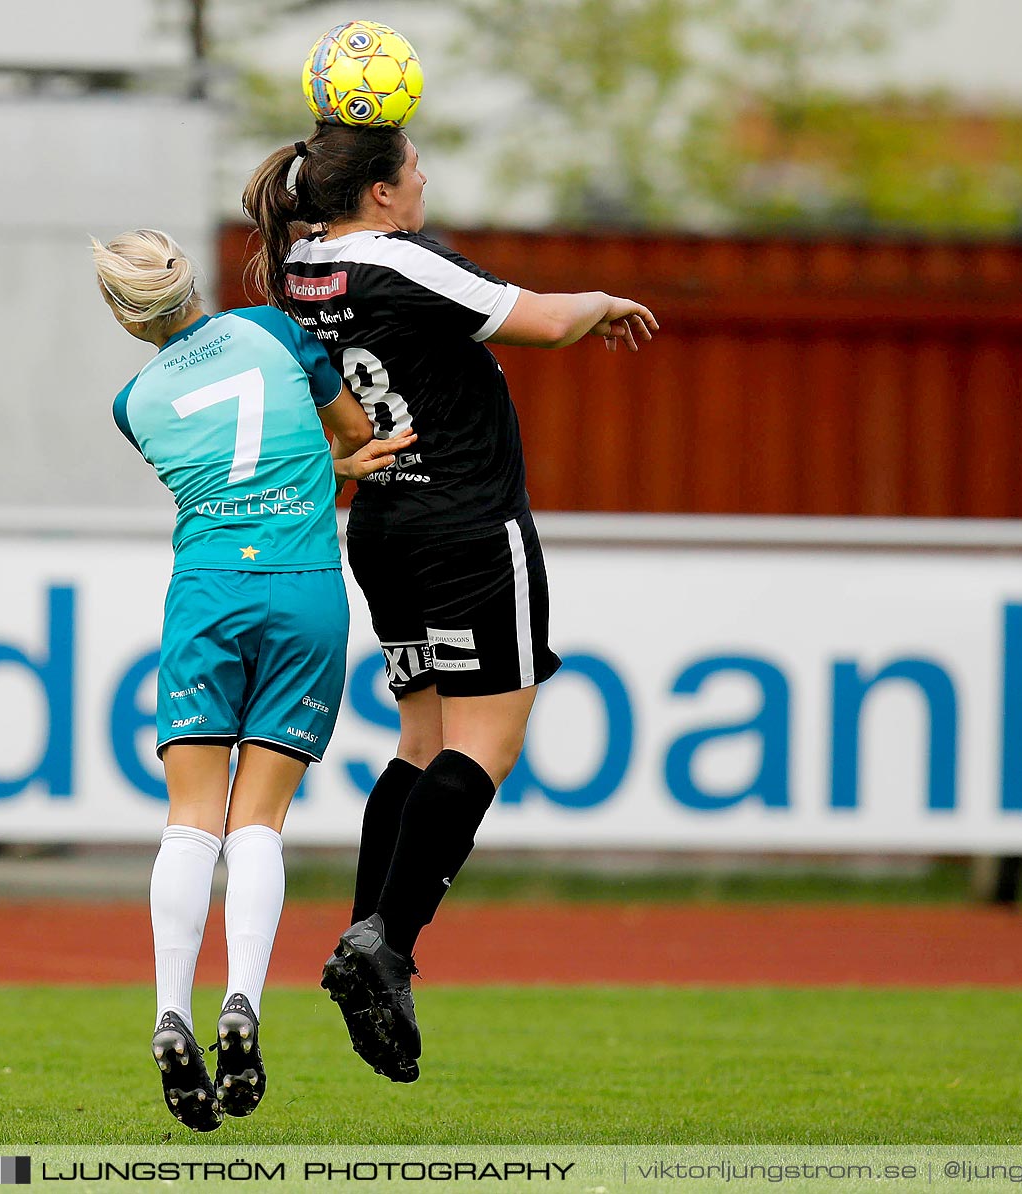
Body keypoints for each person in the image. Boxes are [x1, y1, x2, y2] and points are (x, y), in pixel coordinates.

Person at [240, 125, 657, 1083]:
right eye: (411, 167)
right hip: (468, 526)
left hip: (385, 529)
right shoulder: (391, 264)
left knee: (419, 745)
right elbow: (542, 321)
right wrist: (601, 300)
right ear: (380, 196)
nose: (424, 178)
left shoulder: (303, 264)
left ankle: (366, 934)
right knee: (488, 743)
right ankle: (387, 944)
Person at [92, 228, 415, 1129]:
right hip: (302, 587)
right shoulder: (274, 330)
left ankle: (168, 1011)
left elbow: (217, 475)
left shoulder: (133, 403)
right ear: (191, 280)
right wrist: (330, 469)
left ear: (124, 318)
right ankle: (244, 1004)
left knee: (190, 820)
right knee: (258, 821)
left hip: (207, 592)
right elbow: (352, 439)